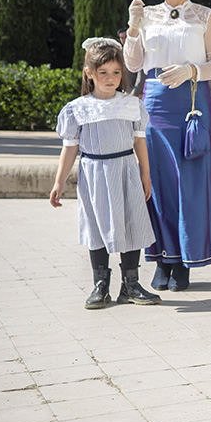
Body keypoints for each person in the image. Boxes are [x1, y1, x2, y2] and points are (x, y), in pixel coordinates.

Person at [124, 0, 211, 291]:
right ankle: (163, 258)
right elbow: (132, 65)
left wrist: (191, 69)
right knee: (156, 182)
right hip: (156, 103)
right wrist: (132, 28)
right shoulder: (145, 17)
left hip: (193, 102)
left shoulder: (206, 16)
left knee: (188, 183)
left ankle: (186, 259)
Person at [51, 38, 161, 308]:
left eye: (116, 72)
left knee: (132, 221)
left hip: (125, 171)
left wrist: (145, 174)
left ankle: (131, 285)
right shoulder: (78, 108)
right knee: (96, 225)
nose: (110, 78)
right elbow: (70, 149)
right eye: (103, 73)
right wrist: (59, 182)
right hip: (95, 174)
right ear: (89, 73)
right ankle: (101, 285)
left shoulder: (131, 105)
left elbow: (139, 142)